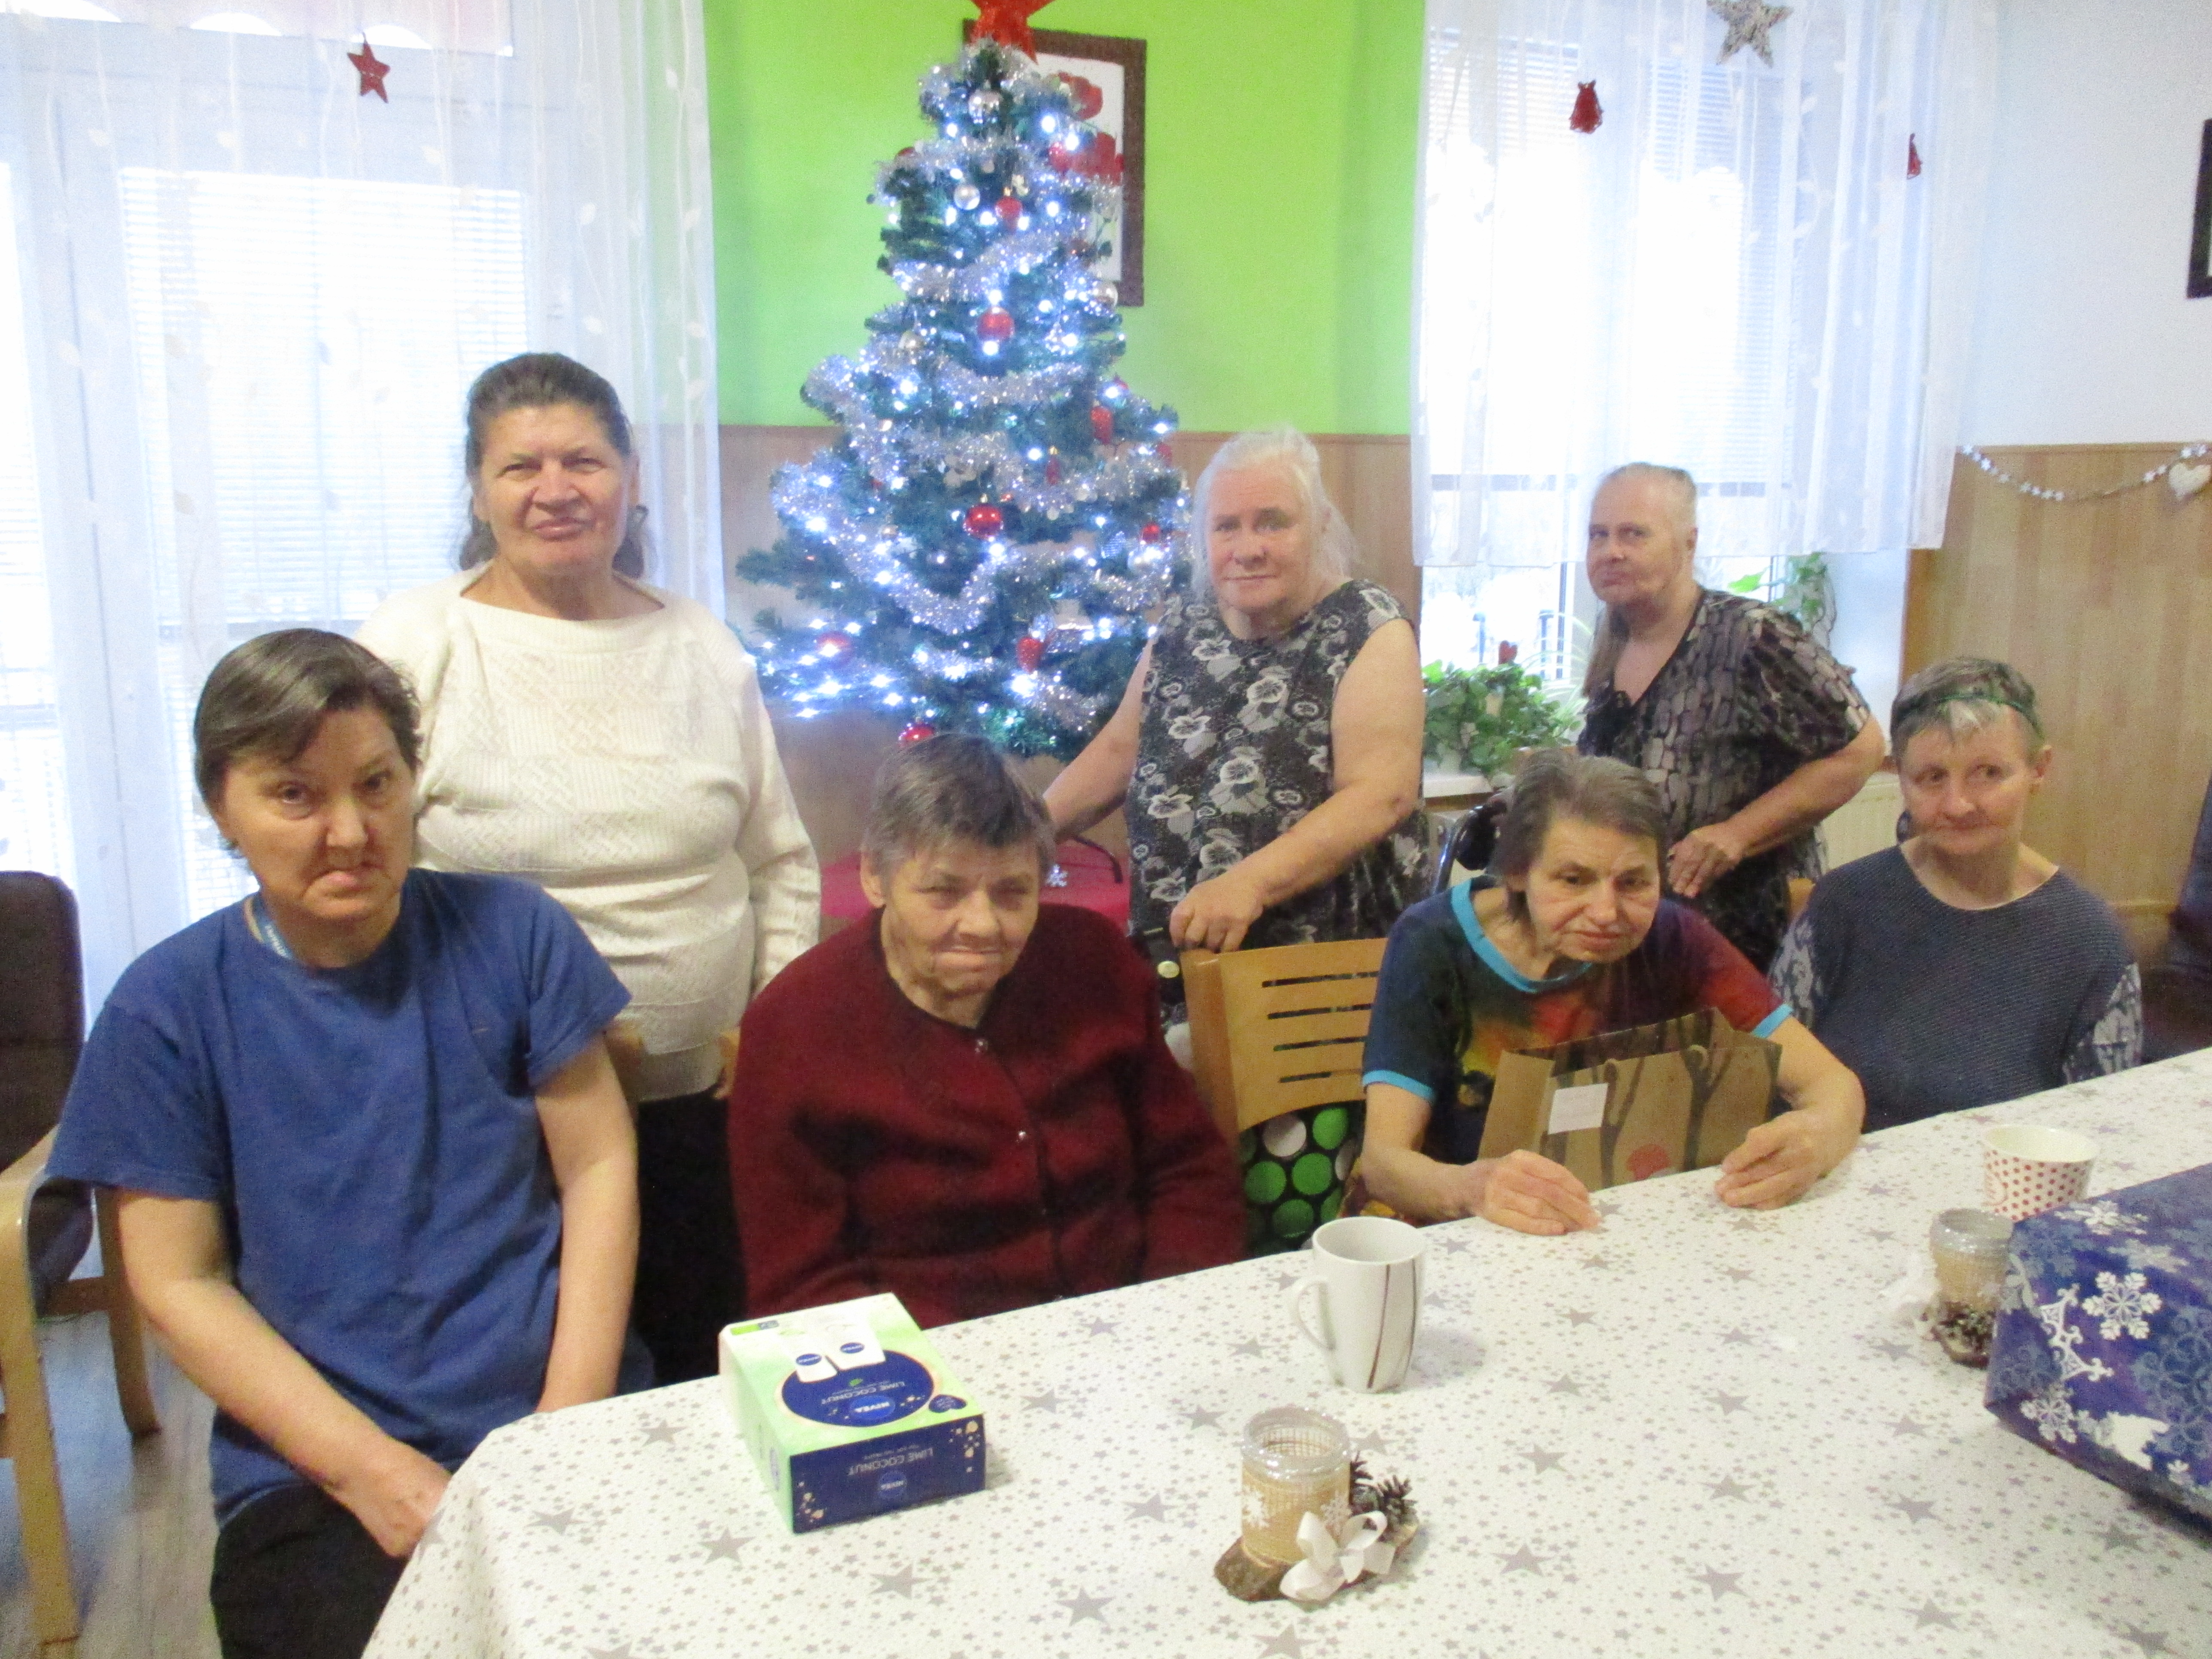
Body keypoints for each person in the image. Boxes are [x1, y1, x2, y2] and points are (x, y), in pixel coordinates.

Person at [49, 631, 644, 1659]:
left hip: (567, 1416)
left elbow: (598, 1167)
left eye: (377, 784)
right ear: (221, 807)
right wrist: (378, 1476)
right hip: (317, 1474)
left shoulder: (517, 933)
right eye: (295, 795)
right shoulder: (165, 1008)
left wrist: (558, 1433)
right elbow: (178, 1283)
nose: (350, 832)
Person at [359, 352, 818, 1382]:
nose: (555, 490)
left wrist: (771, 1020)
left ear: (630, 478)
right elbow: (365, 876)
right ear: (477, 491)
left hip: (700, 1110)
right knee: (538, 1383)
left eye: (584, 461)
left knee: (703, 1370)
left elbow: (781, 861)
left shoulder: (700, 643)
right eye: (521, 467)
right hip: (495, 1121)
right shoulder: (414, 643)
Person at [1042, 425, 1426, 1247]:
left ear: (1318, 524)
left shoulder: (1367, 626)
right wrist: (1015, 840)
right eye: (1226, 525)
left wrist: (1248, 881)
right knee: (1187, 1200)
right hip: (1178, 974)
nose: (1247, 546)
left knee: (1290, 1215)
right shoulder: (1181, 629)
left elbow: (1381, 792)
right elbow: (1116, 752)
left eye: (1271, 521)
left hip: (1310, 992)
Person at [730, 735, 1244, 1327]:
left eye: (1011, 892)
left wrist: (1172, 1311)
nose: (982, 925)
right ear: (875, 875)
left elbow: (1187, 1169)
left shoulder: (1093, 962)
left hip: (1134, 1322)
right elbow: (803, 1282)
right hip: (931, 1353)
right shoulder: (795, 1027)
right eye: (943, 891)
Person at [1357, 749, 1863, 1234]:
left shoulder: (1674, 938)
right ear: (1516, 872)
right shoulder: (1434, 944)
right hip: (1465, 1231)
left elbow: (1833, 1086)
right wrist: (1472, 1188)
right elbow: (1384, 1164)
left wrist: (1815, 1140)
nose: (1606, 913)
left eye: (1633, 883)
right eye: (1573, 880)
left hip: (1614, 1219)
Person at [1771, 658, 2140, 1130]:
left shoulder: (2089, 939)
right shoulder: (1843, 904)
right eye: (1932, 777)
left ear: (2038, 769)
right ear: (1901, 780)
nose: (1958, 805)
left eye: (1988, 773)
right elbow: (1767, 1065)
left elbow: (2102, 1126)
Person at [1577, 463, 1884, 970]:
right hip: (1642, 938)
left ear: (1688, 543)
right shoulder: (1615, 633)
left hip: (1744, 943)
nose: (1611, 551)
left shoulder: (1752, 635)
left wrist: (1737, 834)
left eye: (1634, 534)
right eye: (1598, 535)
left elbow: (1861, 749)